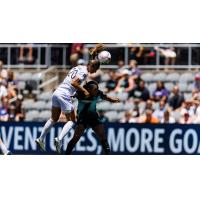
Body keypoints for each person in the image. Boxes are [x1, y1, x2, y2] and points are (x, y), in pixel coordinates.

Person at [35, 44, 104, 153]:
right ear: (92, 67)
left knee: (54, 119)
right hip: (64, 94)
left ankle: (40, 138)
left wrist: (95, 53)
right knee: (72, 120)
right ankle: (59, 139)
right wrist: (85, 91)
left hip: (57, 92)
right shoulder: (85, 72)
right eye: (95, 70)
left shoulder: (79, 67)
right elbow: (74, 82)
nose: (95, 72)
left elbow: (91, 64)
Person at [65, 81, 120, 155]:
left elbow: (106, 97)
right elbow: (69, 95)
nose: (97, 90)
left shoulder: (98, 93)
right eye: (95, 89)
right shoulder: (80, 93)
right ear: (89, 89)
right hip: (82, 118)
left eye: (97, 89)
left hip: (93, 117)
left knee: (102, 135)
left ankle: (108, 154)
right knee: (76, 137)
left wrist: (112, 100)